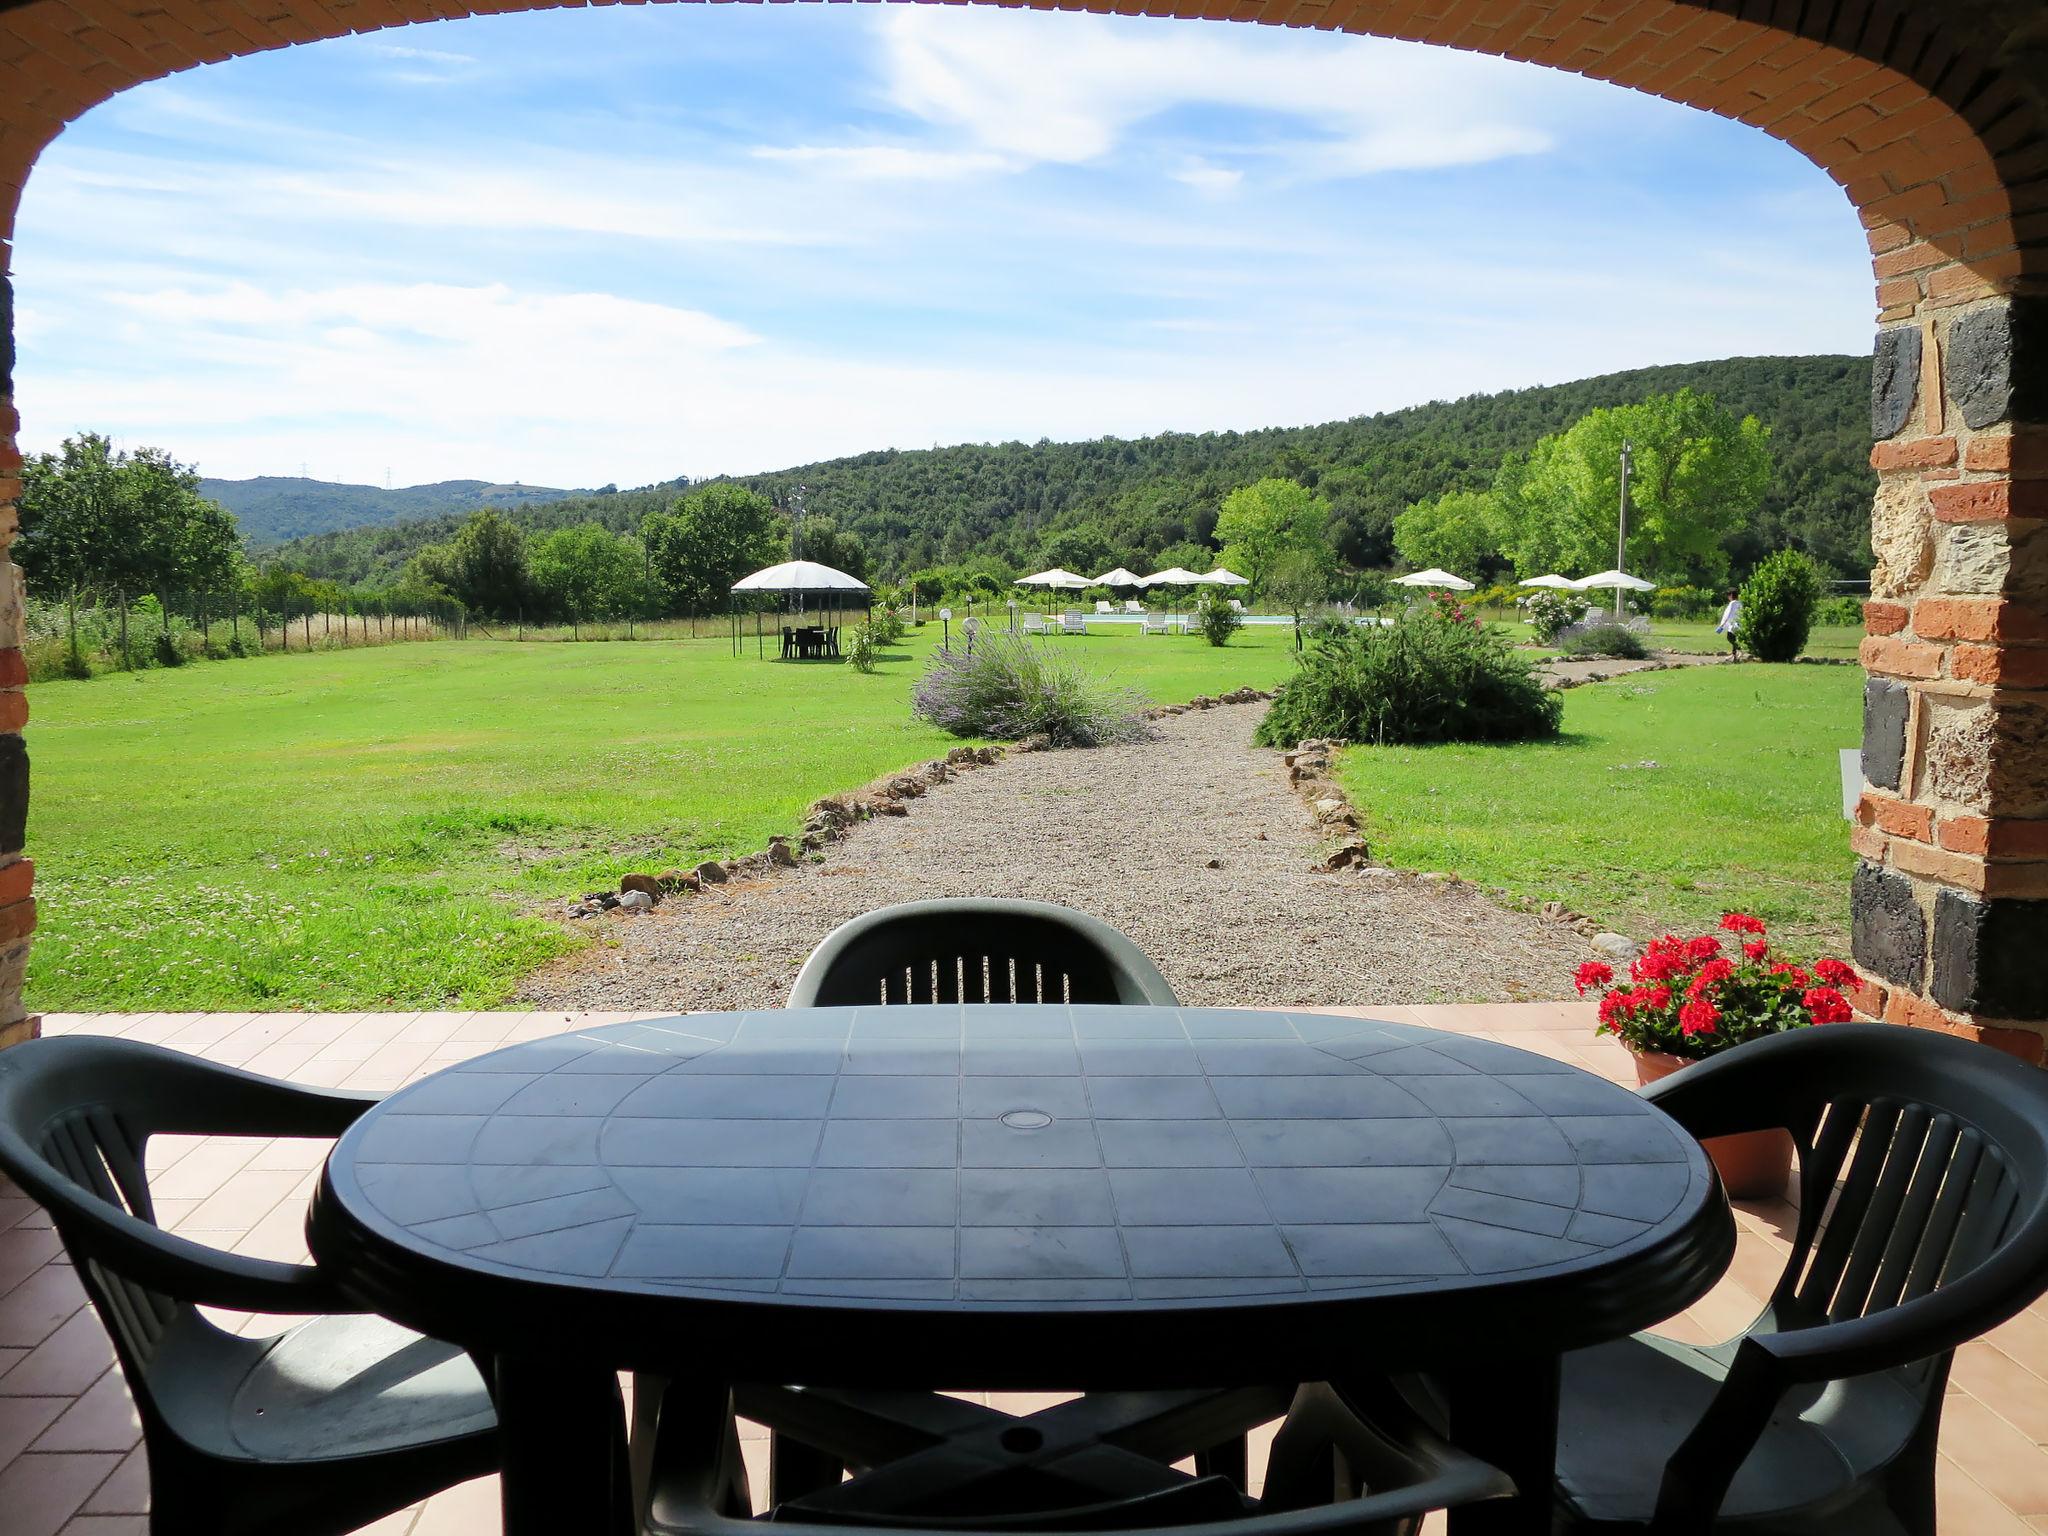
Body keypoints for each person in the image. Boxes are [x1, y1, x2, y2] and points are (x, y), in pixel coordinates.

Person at [1715, 588, 1742, 660]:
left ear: (1731, 595)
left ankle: (1740, 650)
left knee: (1730, 638)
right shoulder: (1740, 603)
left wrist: (1722, 625)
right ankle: (1734, 655)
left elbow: (1728, 614)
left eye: (1728, 595)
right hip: (1739, 624)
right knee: (1735, 639)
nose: (1728, 597)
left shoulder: (1732, 603)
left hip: (1733, 625)